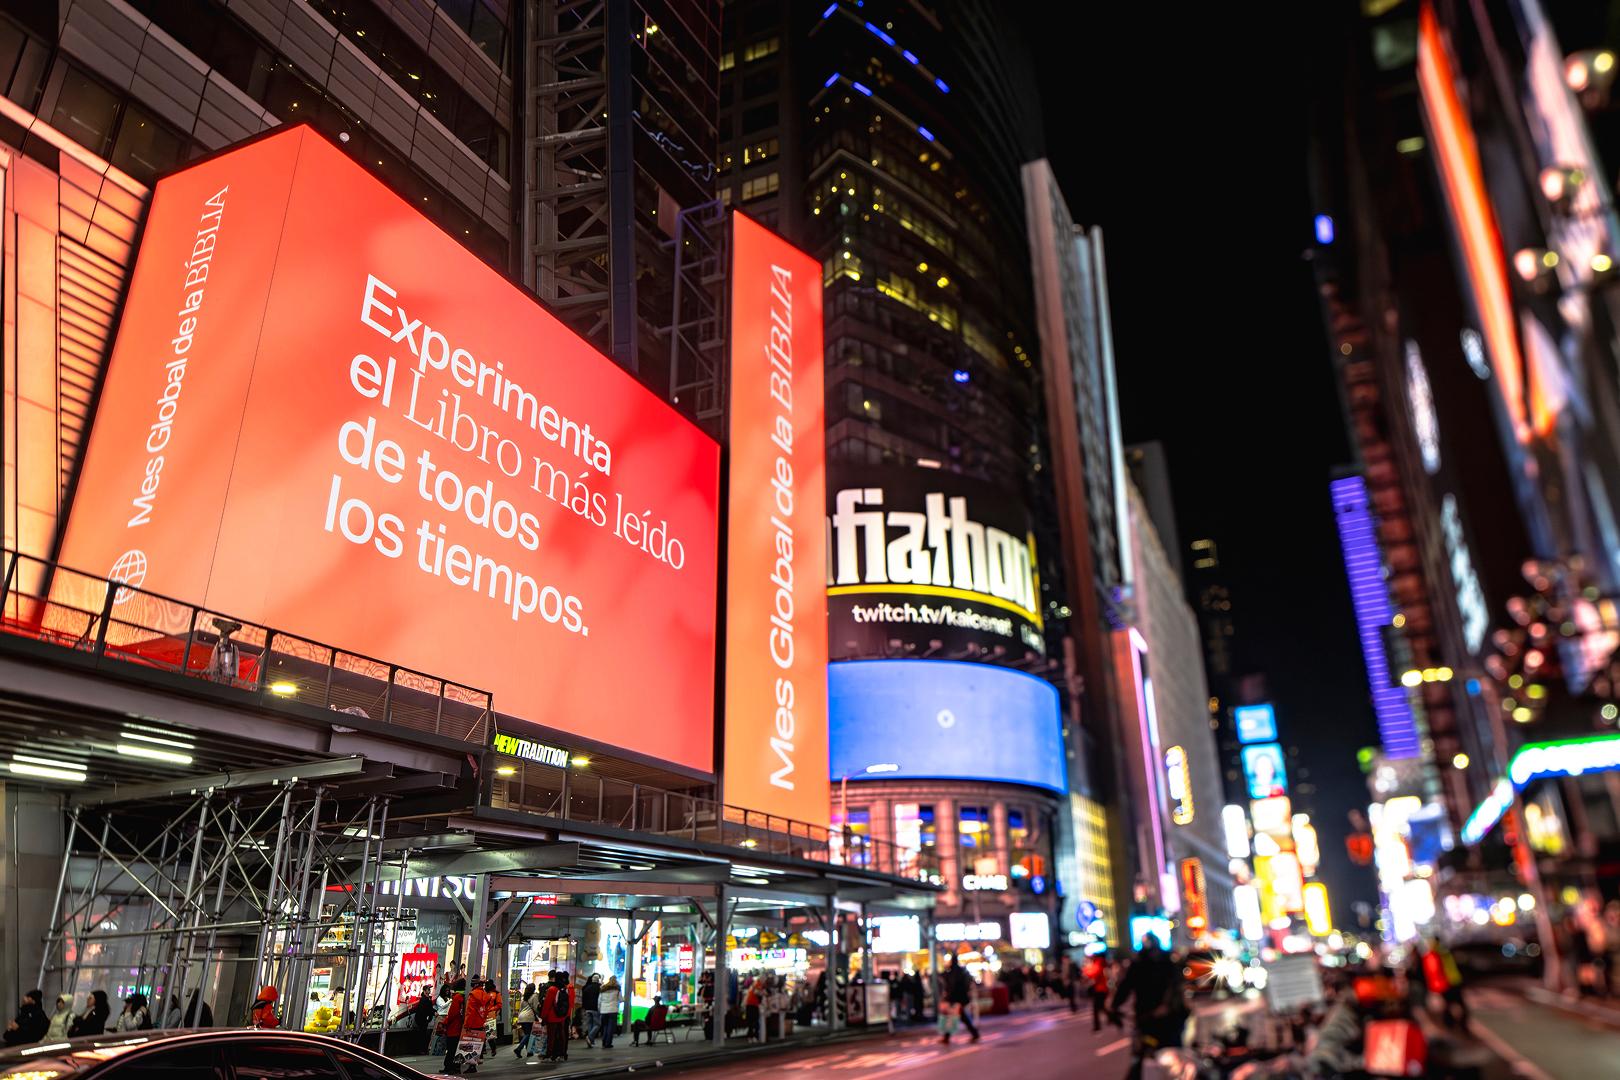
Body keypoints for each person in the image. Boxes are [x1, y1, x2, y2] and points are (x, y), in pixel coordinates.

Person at [1108, 938, 1187, 1080]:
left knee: (1139, 1058)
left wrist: (1114, 1006)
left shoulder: (1140, 964)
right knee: (1176, 1059)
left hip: (1149, 1021)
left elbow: (1125, 988)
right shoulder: (1168, 962)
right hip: (1167, 1021)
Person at [940, 957, 979, 1045]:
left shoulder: (953, 973)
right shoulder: (961, 971)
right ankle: (974, 1033)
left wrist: (949, 997)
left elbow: (952, 987)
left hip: (956, 999)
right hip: (960, 998)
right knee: (960, 1017)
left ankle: (947, 1037)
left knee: (953, 1017)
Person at [541, 971, 574, 1061]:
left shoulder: (552, 989)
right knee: (561, 1035)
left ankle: (549, 1054)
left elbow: (547, 1005)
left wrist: (543, 1016)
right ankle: (562, 1054)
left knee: (551, 1037)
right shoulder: (565, 988)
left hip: (552, 1016)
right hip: (562, 1016)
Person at [438, 978, 468, 1075]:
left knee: (451, 1049)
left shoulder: (457, 998)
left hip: (453, 1028)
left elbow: (452, 1014)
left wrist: (445, 1022)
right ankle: (454, 1067)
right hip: (459, 1027)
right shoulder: (463, 997)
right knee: (455, 1049)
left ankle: (450, 1067)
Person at [1084, 951, 1115, 1032]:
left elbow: (1092, 974)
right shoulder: (1098, 964)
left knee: (1096, 1009)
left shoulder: (1098, 964)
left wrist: (1086, 969)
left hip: (1100, 990)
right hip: (1100, 989)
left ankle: (1097, 1027)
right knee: (1101, 1007)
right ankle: (1111, 1017)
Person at [514, 983, 539, 1059]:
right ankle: (519, 1049)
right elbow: (535, 1008)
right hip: (529, 1018)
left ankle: (529, 1052)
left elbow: (520, 1009)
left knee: (527, 1034)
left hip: (521, 1017)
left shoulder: (523, 997)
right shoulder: (534, 996)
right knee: (529, 1034)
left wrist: (518, 1019)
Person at [598, 976, 621, 1050]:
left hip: (603, 1011)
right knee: (610, 1028)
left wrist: (600, 1009)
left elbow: (599, 1001)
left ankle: (604, 1042)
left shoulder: (603, 989)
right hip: (613, 1010)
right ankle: (608, 1043)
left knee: (605, 1027)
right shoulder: (617, 990)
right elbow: (621, 999)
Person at [430, 982, 453, 1057]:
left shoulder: (448, 998)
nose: (447, 992)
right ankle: (432, 1049)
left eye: (448, 991)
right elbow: (443, 1006)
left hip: (446, 1017)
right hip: (440, 1017)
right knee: (437, 1034)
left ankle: (442, 1050)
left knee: (444, 1035)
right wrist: (450, 1001)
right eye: (446, 991)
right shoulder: (439, 998)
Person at [580, 973, 602, 1048]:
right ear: (597, 980)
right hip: (595, 1008)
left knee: (590, 1024)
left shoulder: (587, 988)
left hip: (587, 1008)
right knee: (597, 1024)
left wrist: (584, 1007)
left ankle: (591, 1041)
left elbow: (583, 998)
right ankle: (590, 1037)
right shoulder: (599, 988)